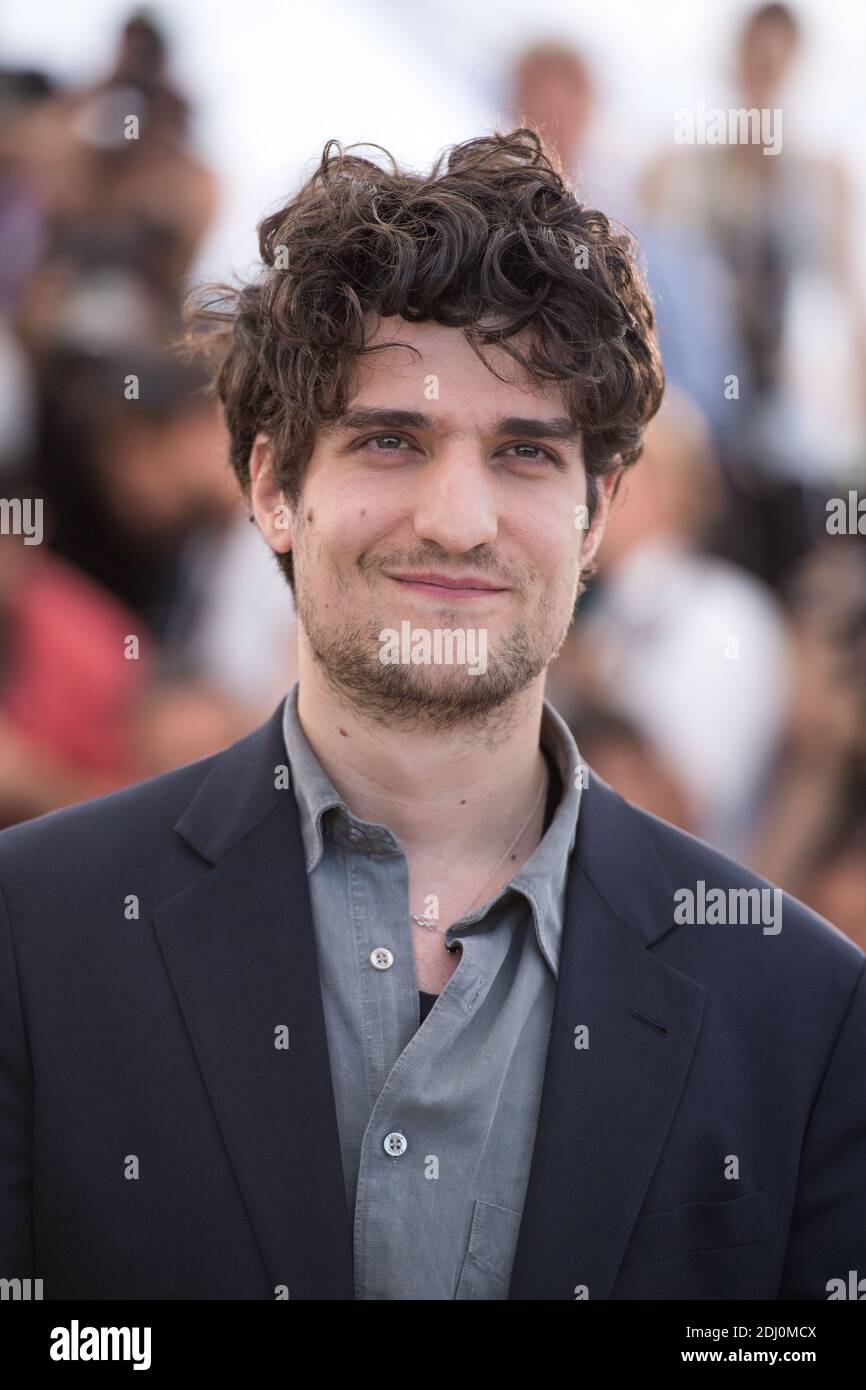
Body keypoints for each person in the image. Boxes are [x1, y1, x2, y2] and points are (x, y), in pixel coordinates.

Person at [0, 130, 863, 1301]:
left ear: (596, 512)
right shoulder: (31, 935)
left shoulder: (803, 1015)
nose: (457, 520)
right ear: (272, 486)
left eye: (522, 452)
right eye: (391, 440)